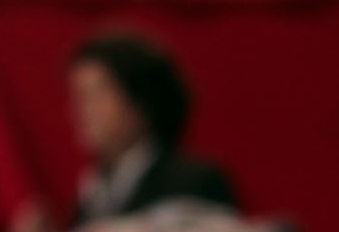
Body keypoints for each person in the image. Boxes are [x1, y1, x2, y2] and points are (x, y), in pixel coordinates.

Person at [69, 31, 237, 222]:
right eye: (79, 96)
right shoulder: (93, 195)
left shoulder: (193, 183)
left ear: (142, 99)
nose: (82, 110)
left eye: (96, 94)